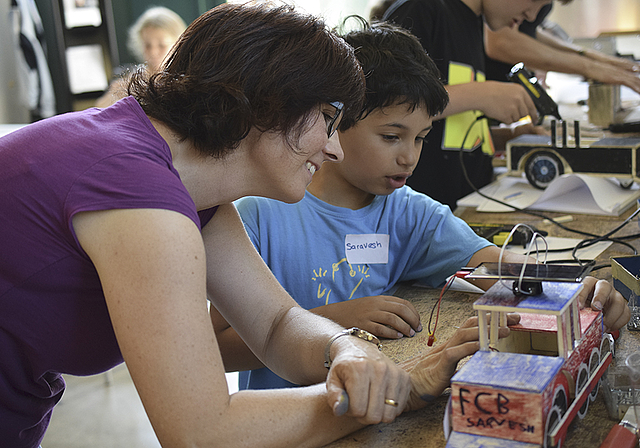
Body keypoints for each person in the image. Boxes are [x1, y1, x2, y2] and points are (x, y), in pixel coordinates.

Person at [0, 4, 503, 447]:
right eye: (327, 119)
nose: (333, 147)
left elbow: (276, 324)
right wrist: (400, 392)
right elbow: (203, 433)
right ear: (269, 105)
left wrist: (343, 348)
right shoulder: (139, 195)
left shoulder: (188, 188)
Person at [210, 18, 631, 391]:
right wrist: (335, 318)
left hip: (377, 407)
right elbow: (218, 348)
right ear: (333, 125)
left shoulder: (407, 212)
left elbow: (498, 267)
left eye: (421, 138)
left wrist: (576, 293)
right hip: (290, 424)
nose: (409, 156)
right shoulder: (258, 215)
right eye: (392, 137)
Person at [381, 0, 551, 210]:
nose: (532, 15)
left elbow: (447, 133)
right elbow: (389, 109)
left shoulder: (475, 23)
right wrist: (481, 94)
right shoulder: (422, 9)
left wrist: (508, 137)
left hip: (467, 209)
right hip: (421, 217)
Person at [484, 2, 640, 94]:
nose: (532, 15)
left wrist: (587, 55)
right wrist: (589, 67)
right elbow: (502, 41)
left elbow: (529, 31)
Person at [95, 6, 186, 108]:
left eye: (161, 45)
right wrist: (117, 94)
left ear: (178, 44)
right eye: (147, 45)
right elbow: (98, 109)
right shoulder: (132, 80)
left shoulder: (185, 79)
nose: (153, 52)